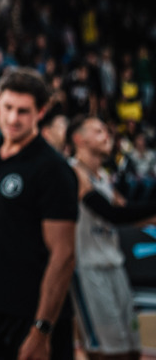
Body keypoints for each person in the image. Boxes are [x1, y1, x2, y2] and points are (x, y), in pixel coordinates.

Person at [0, 68, 78, 360]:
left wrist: (42, 329)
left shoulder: (53, 169)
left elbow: (63, 254)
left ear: (41, 111)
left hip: (32, 316)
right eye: (8, 107)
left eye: (23, 111)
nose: (13, 118)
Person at [68, 116, 156, 360]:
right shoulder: (74, 173)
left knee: (132, 349)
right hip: (88, 269)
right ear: (79, 139)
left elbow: (130, 212)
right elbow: (111, 215)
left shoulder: (103, 176)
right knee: (108, 352)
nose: (107, 135)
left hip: (113, 264)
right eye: (98, 131)